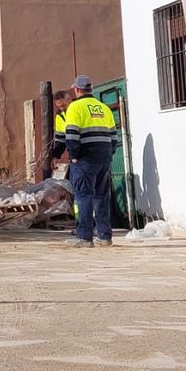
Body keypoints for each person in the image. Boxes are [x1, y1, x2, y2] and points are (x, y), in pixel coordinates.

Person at [63, 76, 117, 248]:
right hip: (104, 157)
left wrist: (73, 155)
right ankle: (105, 236)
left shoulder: (75, 106)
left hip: (85, 158)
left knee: (84, 195)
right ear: (90, 89)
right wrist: (108, 153)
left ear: (77, 90)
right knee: (101, 196)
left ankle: (85, 237)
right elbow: (114, 136)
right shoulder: (103, 108)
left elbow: (71, 134)